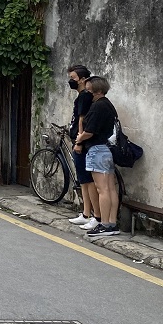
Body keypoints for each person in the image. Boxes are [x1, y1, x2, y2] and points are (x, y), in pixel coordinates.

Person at [73, 76, 121, 237]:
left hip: (97, 150)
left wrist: (80, 138)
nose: (87, 93)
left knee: (102, 190)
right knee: (110, 189)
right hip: (107, 150)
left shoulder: (97, 107)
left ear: (98, 90)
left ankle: (104, 224)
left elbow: (90, 131)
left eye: (89, 90)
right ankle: (112, 222)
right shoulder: (108, 105)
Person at [65, 65, 100, 230]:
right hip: (78, 141)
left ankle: (95, 215)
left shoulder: (85, 97)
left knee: (88, 180)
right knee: (83, 180)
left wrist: (79, 142)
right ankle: (86, 213)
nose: (71, 81)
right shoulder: (81, 96)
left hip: (82, 143)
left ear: (83, 79)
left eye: (74, 78)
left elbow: (82, 120)